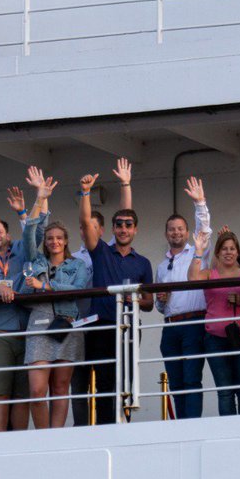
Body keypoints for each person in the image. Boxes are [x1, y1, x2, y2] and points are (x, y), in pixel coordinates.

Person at [0, 168, 53, 432]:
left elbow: (36, 234)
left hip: (26, 330)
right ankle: (0, 439)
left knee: (23, 393)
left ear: (7, 235)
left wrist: (24, 210)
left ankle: (19, 439)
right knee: (0, 392)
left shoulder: (19, 249)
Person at [78, 159, 154, 425]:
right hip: (101, 326)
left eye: (128, 225)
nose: (123, 228)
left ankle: (125, 425)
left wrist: (135, 299)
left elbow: (149, 303)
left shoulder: (142, 262)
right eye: (119, 225)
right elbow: (86, 223)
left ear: (135, 230)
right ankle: (105, 427)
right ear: (112, 229)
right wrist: (86, 193)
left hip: (130, 326)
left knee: (127, 380)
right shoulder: (101, 252)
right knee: (104, 380)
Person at [69, 161, 132, 426]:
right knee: (86, 379)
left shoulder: (112, 250)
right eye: (88, 229)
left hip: (116, 323)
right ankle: (88, 426)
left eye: (96, 228)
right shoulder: (96, 250)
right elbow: (84, 221)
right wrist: (85, 192)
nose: (90, 231)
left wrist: (126, 184)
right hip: (92, 323)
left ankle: (113, 424)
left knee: (115, 379)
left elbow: (126, 216)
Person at [21, 221, 91, 429]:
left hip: (66, 325)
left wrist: (44, 286)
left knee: (61, 387)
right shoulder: (36, 260)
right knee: (37, 391)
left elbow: (77, 289)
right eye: (50, 238)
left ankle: (57, 434)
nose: (54, 242)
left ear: (66, 241)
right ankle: (44, 437)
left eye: (59, 238)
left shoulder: (77, 264)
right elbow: (27, 237)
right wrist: (37, 204)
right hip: (39, 326)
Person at [154, 177, 212, 420]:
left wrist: (200, 203)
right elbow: (159, 305)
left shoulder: (199, 251)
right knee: (176, 381)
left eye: (180, 228)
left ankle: (193, 425)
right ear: (166, 234)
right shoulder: (161, 264)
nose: (176, 232)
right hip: (170, 327)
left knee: (191, 378)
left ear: (187, 232)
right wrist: (161, 299)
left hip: (193, 324)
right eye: (171, 229)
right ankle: (181, 425)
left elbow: (205, 229)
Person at [189, 227, 240, 415]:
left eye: (232, 248)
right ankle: (227, 438)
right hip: (216, 339)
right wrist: (198, 252)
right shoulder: (209, 274)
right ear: (217, 253)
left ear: (238, 252)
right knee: (225, 392)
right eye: (224, 248)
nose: (228, 252)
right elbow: (191, 279)